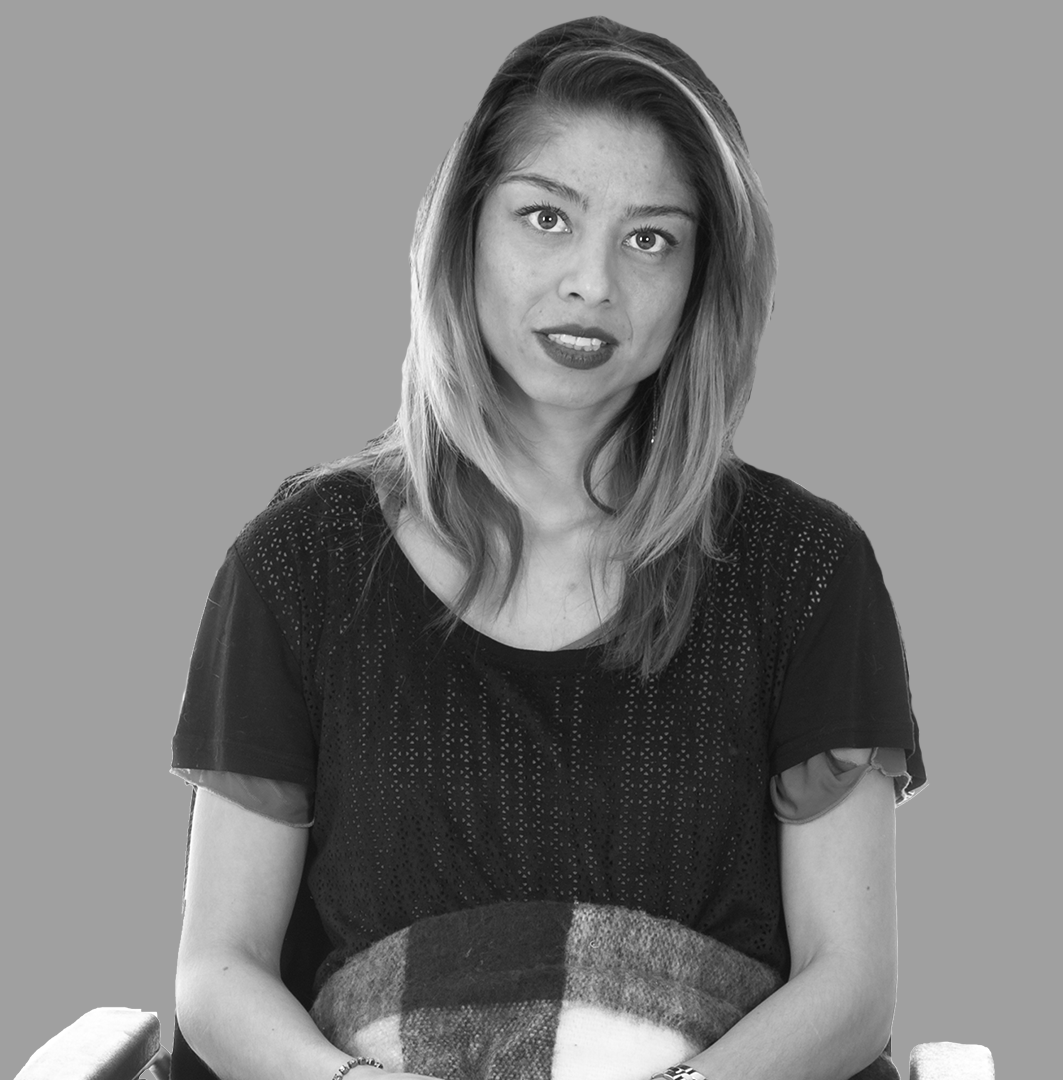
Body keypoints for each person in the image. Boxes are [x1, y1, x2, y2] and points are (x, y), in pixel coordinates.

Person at [171, 16, 924, 1080]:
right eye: (546, 218)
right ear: (464, 231)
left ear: (701, 281)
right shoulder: (300, 566)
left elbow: (850, 987)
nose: (592, 283)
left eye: (650, 239)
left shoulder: (804, 571)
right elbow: (220, 972)